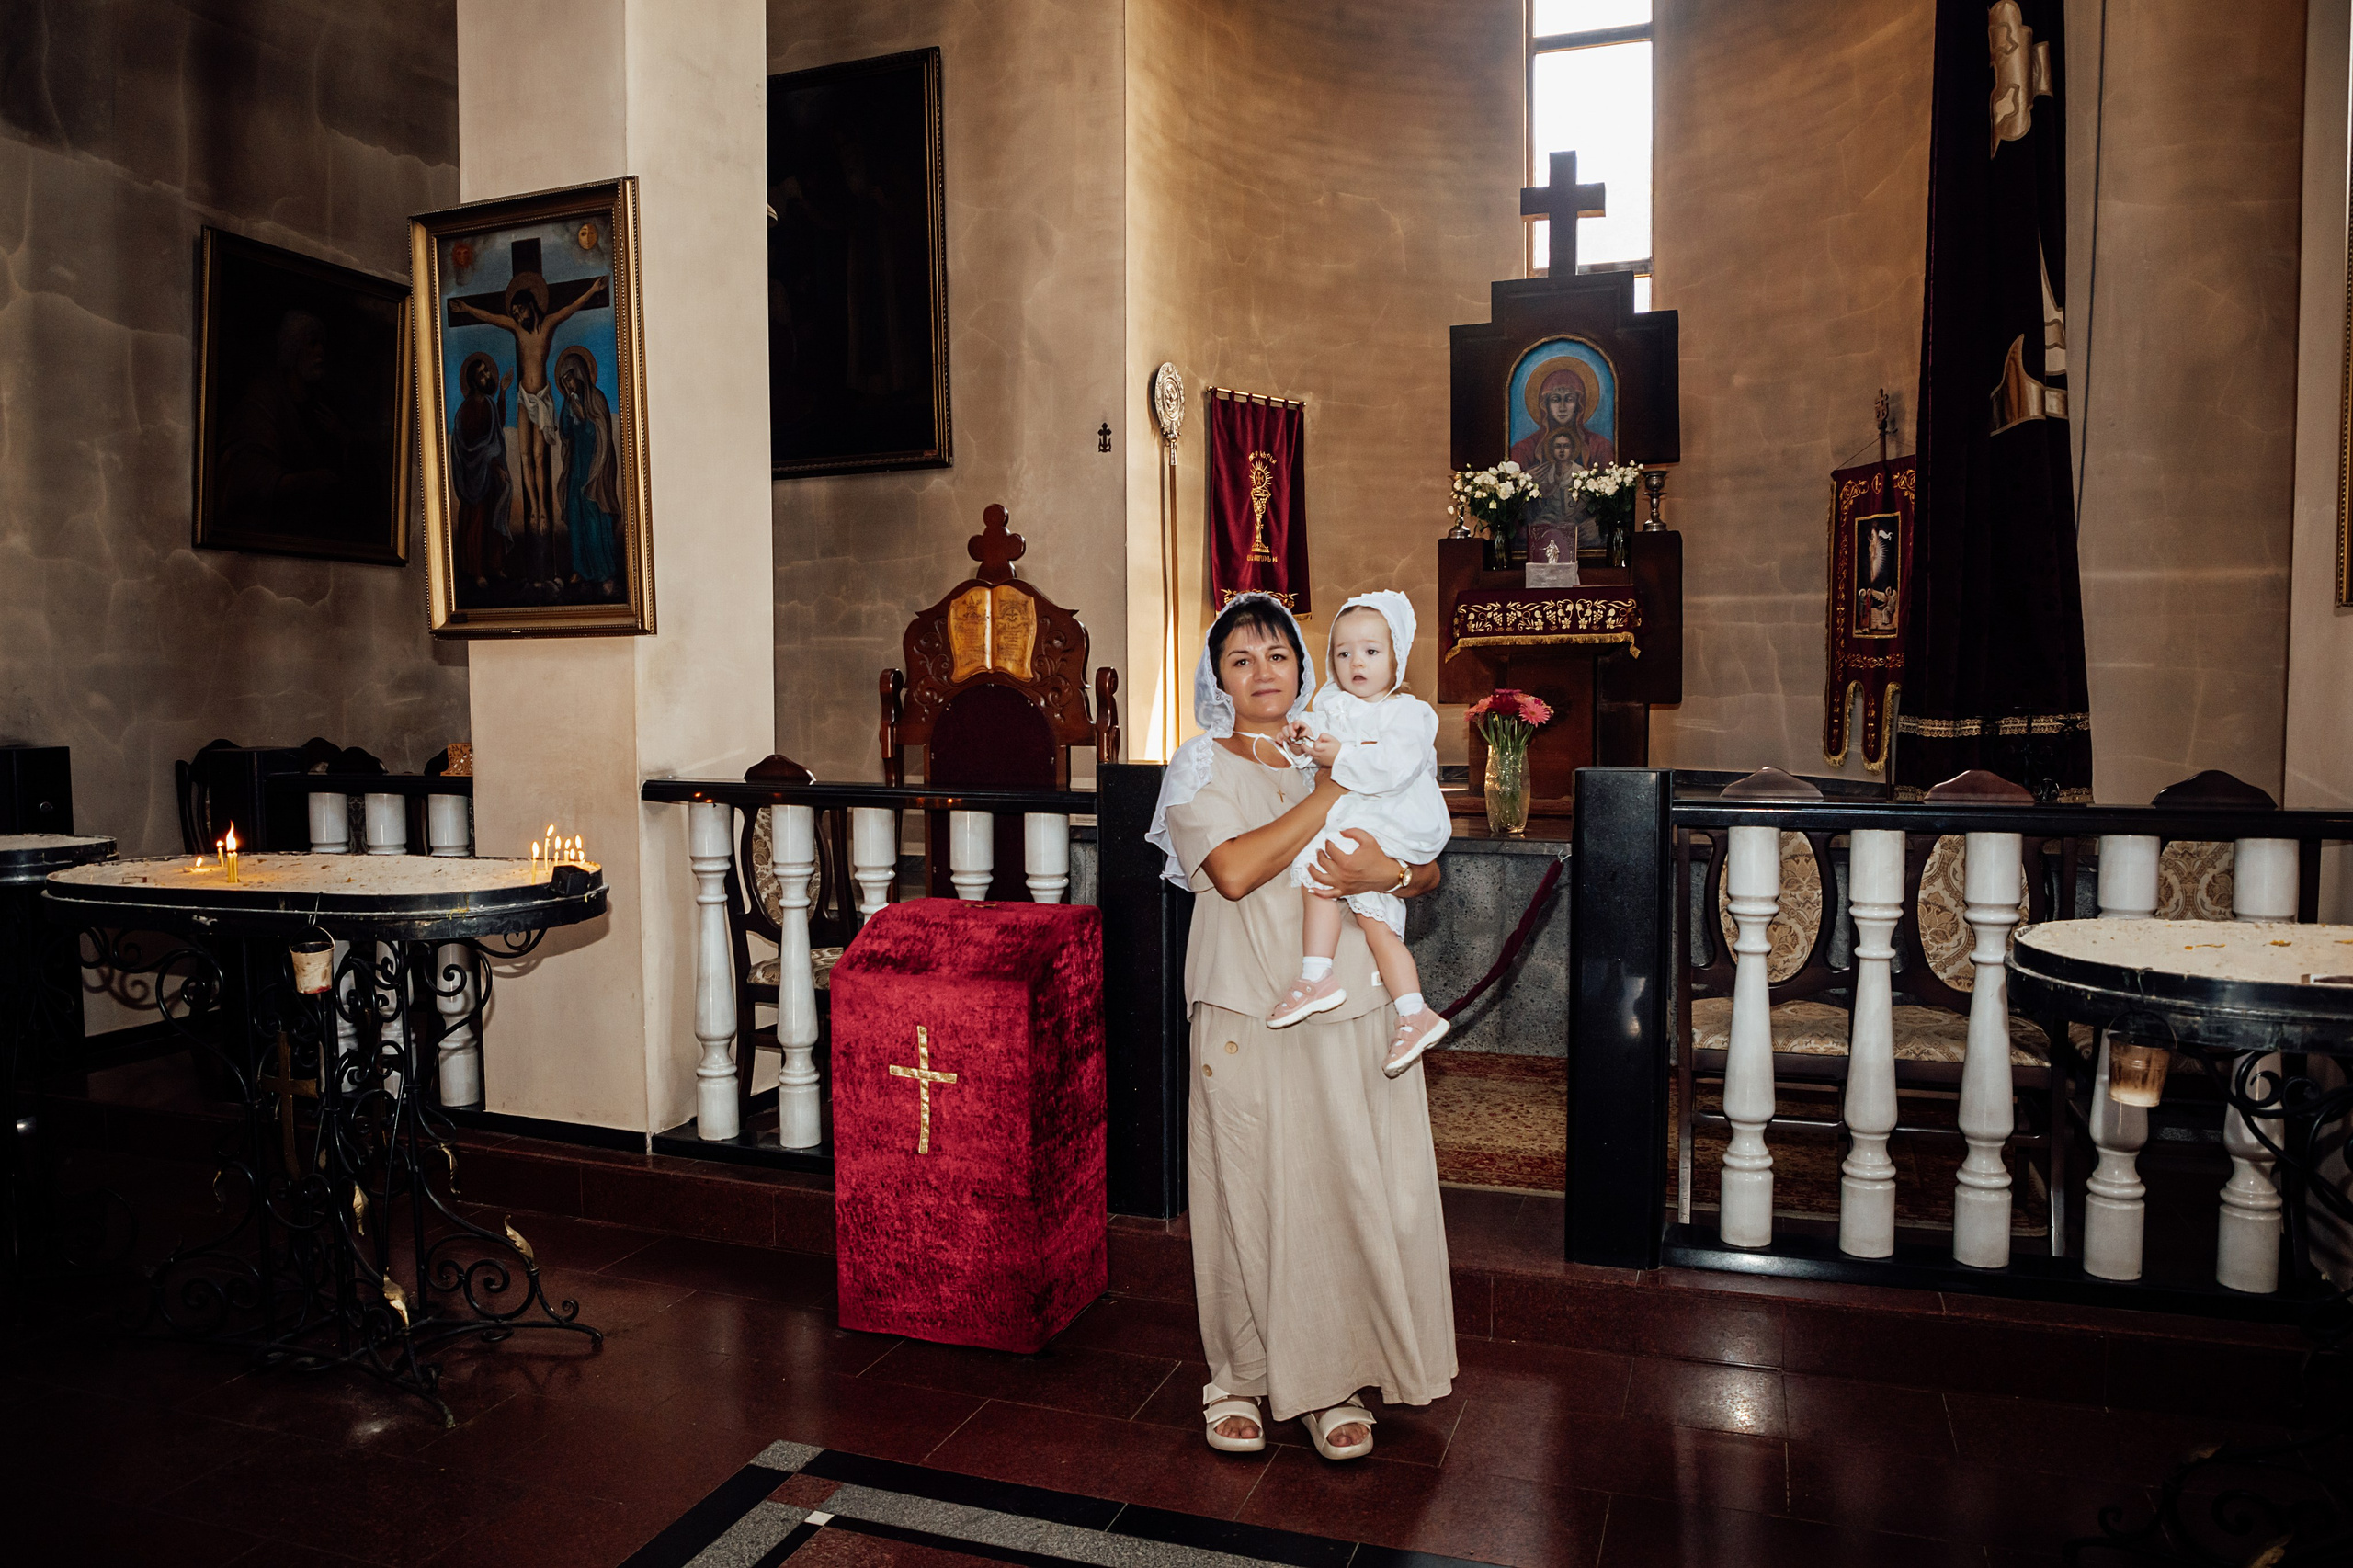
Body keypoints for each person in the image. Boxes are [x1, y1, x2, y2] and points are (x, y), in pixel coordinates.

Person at [1147, 593, 1456, 1463]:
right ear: (1217, 679)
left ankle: (1335, 1380)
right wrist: (1332, 795)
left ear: (1303, 667)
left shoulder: (1354, 743)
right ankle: (1239, 1376)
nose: (1262, 673)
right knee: (1243, 1187)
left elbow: (1424, 871)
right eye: (1240, 660)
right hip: (1246, 998)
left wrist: (1388, 864)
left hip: (1349, 997)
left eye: (1277, 655)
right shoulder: (1199, 766)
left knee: (1344, 1188)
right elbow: (1238, 871)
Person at [1267, 592, 1453, 1077]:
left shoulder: (1408, 713)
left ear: (1396, 658)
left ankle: (1316, 977)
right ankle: (1414, 1012)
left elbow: (1392, 767)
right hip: (1358, 813)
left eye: (1371, 651)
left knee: (1319, 872)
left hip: (1393, 816)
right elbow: (1312, 754)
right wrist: (1300, 741)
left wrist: (1339, 754)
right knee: (1375, 923)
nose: (1356, 663)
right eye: (1343, 652)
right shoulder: (1331, 704)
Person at [450, 268, 607, 585]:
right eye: (514, 313)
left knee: (538, 457)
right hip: (524, 396)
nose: (517, 315)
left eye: (519, 310)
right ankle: (535, 508)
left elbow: (568, 309)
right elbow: (492, 317)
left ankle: (546, 513)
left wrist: (592, 290)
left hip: (543, 398)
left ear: (531, 305)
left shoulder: (546, 326)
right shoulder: (517, 331)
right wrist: (467, 310)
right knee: (523, 457)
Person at [555, 346, 622, 597]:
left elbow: (600, 433)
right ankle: (580, 568)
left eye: (569, 377)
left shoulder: (597, 399)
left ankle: (604, 572)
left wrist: (584, 418)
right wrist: (570, 410)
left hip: (595, 469)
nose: (567, 384)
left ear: (580, 374)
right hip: (577, 469)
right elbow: (565, 432)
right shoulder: (569, 402)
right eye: (563, 381)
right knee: (575, 516)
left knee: (594, 518)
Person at [449, 350, 512, 590]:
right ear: (473, 382)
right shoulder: (465, 411)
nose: (487, 376)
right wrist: (494, 465)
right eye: (482, 374)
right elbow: (473, 449)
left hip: (490, 477)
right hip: (474, 478)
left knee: (492, 521)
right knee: (476, 523)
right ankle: (476, 572)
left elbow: (498, 425)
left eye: (487, 371)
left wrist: (504, 392)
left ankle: (494, 566)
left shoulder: (488, 403)